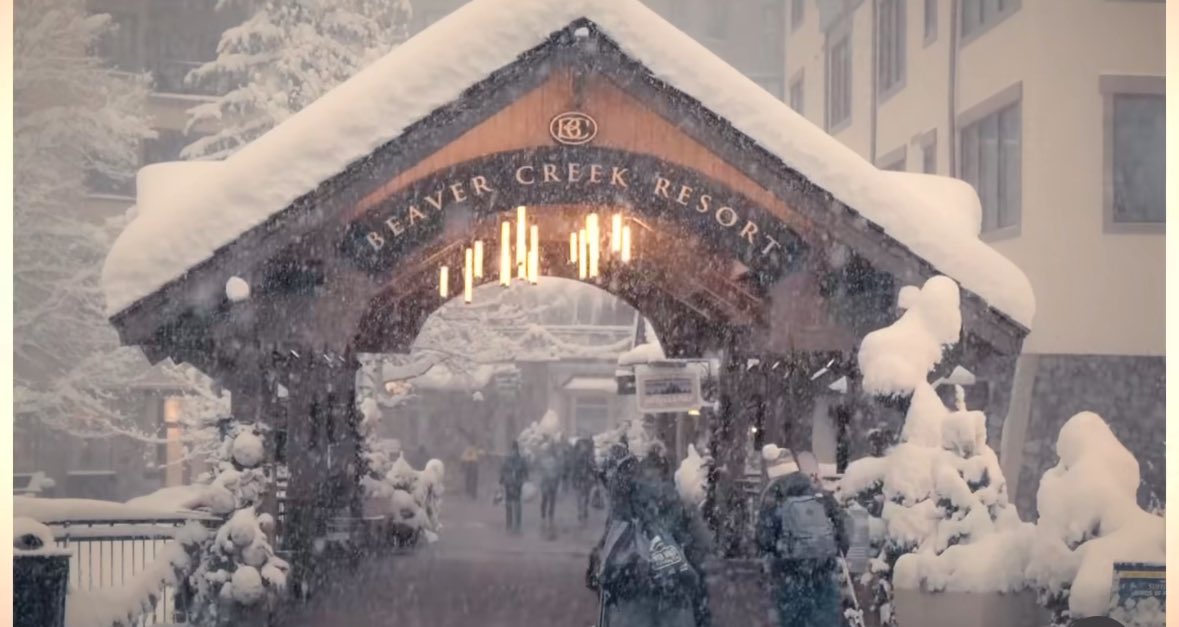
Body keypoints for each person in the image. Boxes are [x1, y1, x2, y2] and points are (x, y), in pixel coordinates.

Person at [587, 450, 712, 627]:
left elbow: (609, 549)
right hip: (670, 588)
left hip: (632, 588)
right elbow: (703, 542)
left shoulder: (623, 507)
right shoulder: (676, 501)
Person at [755, 468, 850, 627]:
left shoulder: (775, 503)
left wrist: (768, 568)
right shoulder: (824, 499)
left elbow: (764, 540)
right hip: (823, 572)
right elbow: (844, 535)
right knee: (825, 616)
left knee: (794, 618)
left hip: (790, 574)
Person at [499, 441, 528, 533]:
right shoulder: (521, 459)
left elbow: (502, 470)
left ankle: (509, 523)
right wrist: (525, 479)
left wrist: (501, 480)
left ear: (512, 448)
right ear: (517, 448)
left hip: (509, 483)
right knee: (517, 502)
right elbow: (525, 471)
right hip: (517, 483)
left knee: (509, 503)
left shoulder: (507, 458)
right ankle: (517, 523)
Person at [570, 438, 597, 524]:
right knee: (579, 496)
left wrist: (594, 477)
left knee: (586, 496)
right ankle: (580, 511)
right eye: (582, 446)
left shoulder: (589, 457)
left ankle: (584, 508)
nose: (583, 448)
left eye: (584, 446)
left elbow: (593, 468)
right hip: (580, 479)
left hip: (586, 479)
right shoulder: (576, 458)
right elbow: (574, 469)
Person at [537, 443, 562, 535]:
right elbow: (558, 474)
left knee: (545, 500)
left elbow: (541, 472)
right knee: (551, 501)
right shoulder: (556, 462)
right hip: (551, 484)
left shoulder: (544, 461)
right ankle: (549, 516)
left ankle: (544, 516)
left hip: (547, 484)